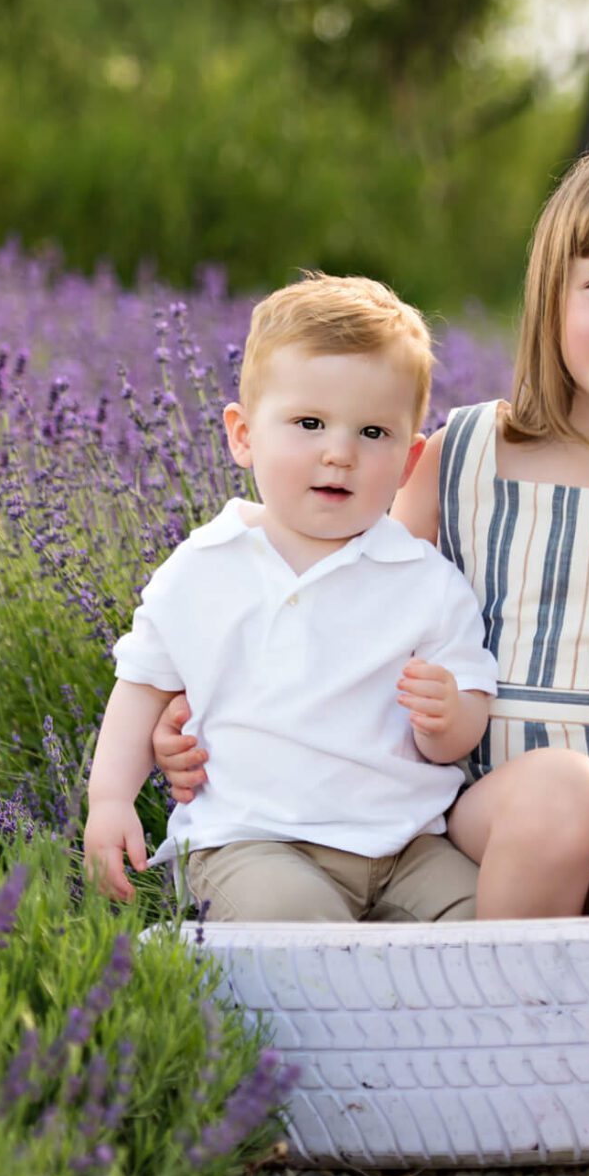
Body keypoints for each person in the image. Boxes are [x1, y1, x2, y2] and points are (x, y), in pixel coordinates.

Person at [156, 130, 589, 918]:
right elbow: (346, 599)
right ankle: (506, 1013)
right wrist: (212, 705)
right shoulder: (462, 452)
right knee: (561, 791)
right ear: (552, 296)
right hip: (474, 789)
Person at [81, 273, 499, 923]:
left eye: (372, 433)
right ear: (244, 434)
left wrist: (449, 718)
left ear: (410, 459)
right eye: (309, 423)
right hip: (254, 839)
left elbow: (466, 714)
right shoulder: (202, 567)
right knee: (290, 916)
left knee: (482, 912)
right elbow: (141, 688)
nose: (339, 453)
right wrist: (109, 800)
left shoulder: (425, 580)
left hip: (407, 845)